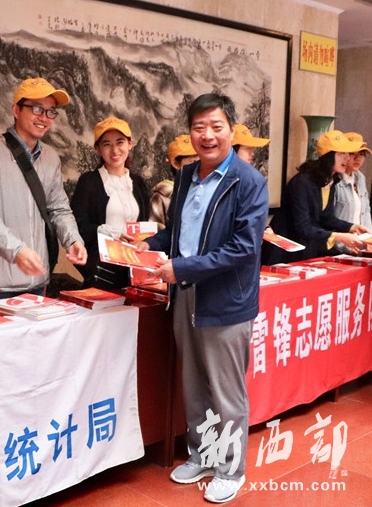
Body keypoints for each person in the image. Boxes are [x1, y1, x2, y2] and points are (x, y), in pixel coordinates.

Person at [139, 93, 269, 503]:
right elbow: (178, 234)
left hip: (226, 302)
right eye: (199, 128)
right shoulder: (185, 177)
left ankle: (231, 470)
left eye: (216, 127)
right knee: (194, 385)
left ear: (232, 130)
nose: (207, 135)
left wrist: (183, 268)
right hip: (185, 296)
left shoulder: (248, 182)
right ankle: (204, 454)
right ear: (190, 133)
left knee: (226, 391)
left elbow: (243, 248)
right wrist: (145, 244)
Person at [0, 77, 87, 309]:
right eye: (37, 109)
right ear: (16, 110)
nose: (44, 117)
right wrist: (17, 250)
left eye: (51, 112)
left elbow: (58, 207)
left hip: (37, 279)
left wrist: (73, 239)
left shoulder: (50, 158)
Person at [70, 116, 149, 289]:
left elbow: (144, 224)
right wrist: (109, 232)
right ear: (98, 149)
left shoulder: (138, 183)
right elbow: (78, 226)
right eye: (106, 144)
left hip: (134, 269)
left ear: (130, 143)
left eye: (120, 142)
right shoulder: (89, 182)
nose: (114, 150)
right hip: (102, 273)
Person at [266, 130, 367, 263]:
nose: (347, 158)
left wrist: (352, 227)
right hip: (286, 253)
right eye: (341, 153)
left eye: (348, 153)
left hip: (307, 250)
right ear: (328, 156)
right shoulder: (302, 182)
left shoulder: (330, 181)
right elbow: (303, 226)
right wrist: (338, 236)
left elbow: (327, 218)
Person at [149, 134, 197, 229]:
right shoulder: (162, 196)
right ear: (175, 163)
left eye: (201, 161)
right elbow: (156, 228)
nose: (198, 166)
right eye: (192, 162)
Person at [332, 132, 372, 235]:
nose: (358, 158)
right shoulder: (335, 181)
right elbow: (328, 219)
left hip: (361, 240)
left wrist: (368, 236)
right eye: (352, 153)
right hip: (341, 241)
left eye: (362, 154)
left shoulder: (360, 178)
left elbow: (366, 210)